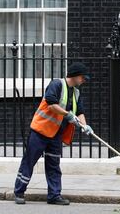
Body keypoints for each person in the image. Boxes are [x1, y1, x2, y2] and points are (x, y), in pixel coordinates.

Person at [14, 62, 93, 205]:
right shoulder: (56, 84)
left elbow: (79, 111)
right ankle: (19, 192)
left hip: (56, 134)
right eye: (82, 78)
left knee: (53, 165)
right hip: (40, 131)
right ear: (75, 76)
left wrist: (85, 125)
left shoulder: (76, 92)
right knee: (29, 161)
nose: (84, 81)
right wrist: (68, 115)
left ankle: (54, 195)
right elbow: (51, 104)